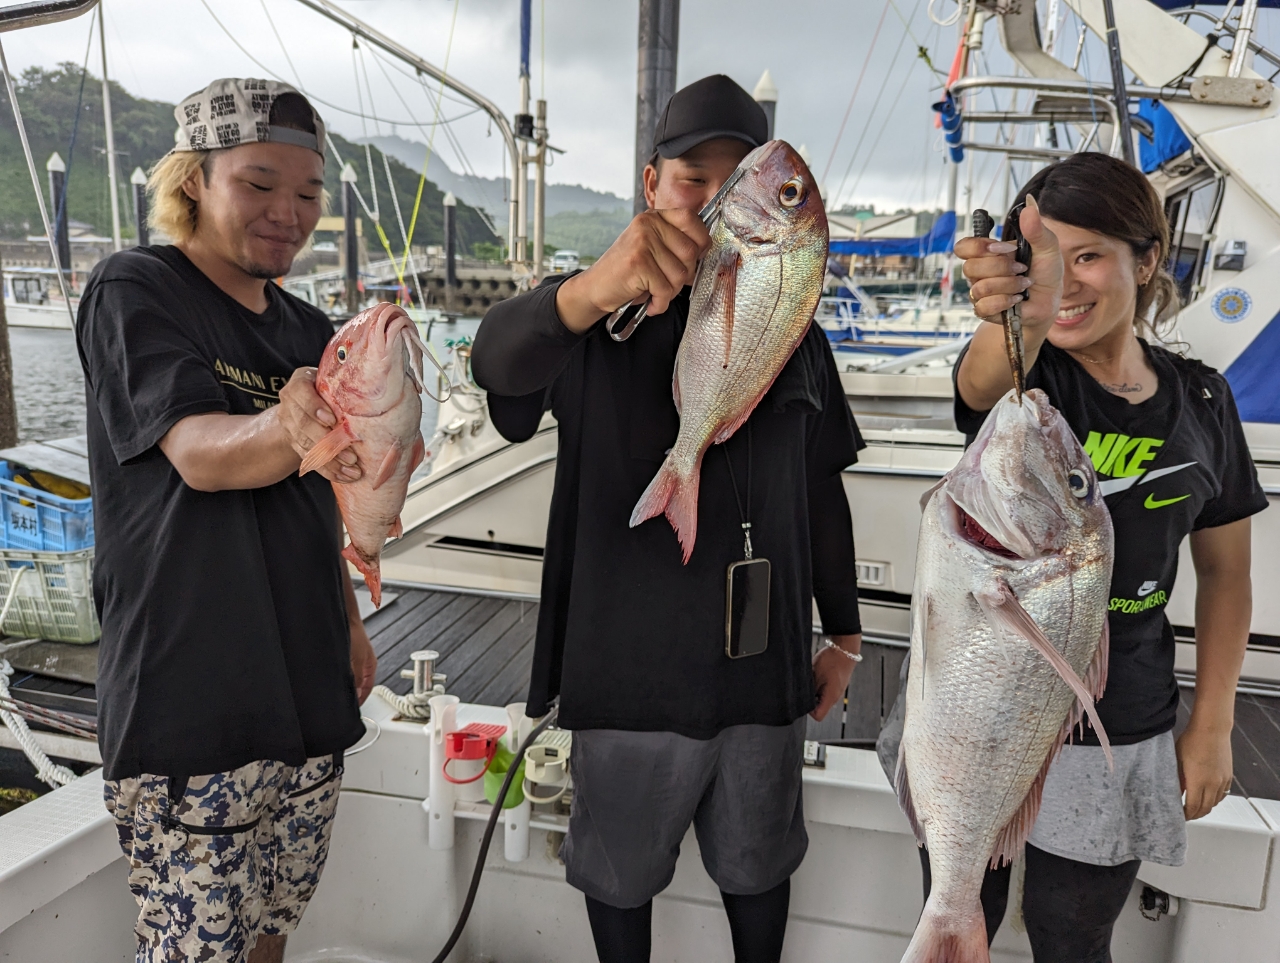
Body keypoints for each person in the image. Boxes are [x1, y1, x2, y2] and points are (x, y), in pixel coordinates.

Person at [471, 74, 864, 963]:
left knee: (759, 873)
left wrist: (841, 630)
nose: (716, 199)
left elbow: (823, 482)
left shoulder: (796, 321)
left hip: (761, 675)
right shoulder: (593, 318)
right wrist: (584, 291)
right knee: (618, 879)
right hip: (625, 672)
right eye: (696, 179)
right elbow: (496, 368)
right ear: (651, 186)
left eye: (738, 179)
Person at [911, 151, 1264, 961]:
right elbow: (979, 384)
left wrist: (1211, 723)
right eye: (1044, 256)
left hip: (1120, 721)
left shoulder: (1205, 398)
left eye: (1089, 255)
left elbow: (1227, 574)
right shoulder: (1029, 390)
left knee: (1075, 936)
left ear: (1147, 262)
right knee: (957, 900)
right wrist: (1018, 314)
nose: (1063, 281)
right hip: (978, 709)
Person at [77, 79, 377, 963]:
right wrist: (286, 423)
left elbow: (324, 500)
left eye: (309, 193)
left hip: (308, 688)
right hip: (189, 701)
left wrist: (352, 624)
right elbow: (202, 454)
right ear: (195, 180)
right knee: (195, 950)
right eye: (258, 183)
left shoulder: (313, 328)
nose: (289, 212)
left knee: (274, 926)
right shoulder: (136, 287)